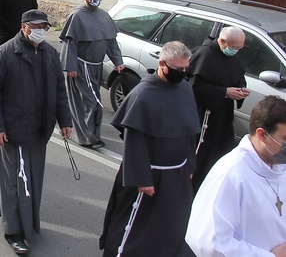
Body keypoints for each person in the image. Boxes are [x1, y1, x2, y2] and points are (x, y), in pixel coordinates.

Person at [0, 9, 72, 255]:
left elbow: (59, 91)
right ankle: (14, 232)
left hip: (39, 130)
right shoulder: (5, 54)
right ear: (24, 27)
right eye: (37, 26)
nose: (42, 30)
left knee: (29, 180)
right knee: (19, 180)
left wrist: (65, 120)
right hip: (13, 130)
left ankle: (22, 219)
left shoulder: (50, 53)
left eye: (45, 26)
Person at [99, 41, 200, 257]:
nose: (182, 73)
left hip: (177, 173)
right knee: (136, 225)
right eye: (178, 69)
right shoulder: (143, 94)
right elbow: (134, 140)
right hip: (149, 176)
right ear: (162, 63)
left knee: (171, 222)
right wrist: (142, 179)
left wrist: (190, 164)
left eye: (185, 69)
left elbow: (189, 131)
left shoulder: (184, 88)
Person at [185, 95, 286, 256]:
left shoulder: (279, 166)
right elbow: (207, 243)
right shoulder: (231, 173)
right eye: (285, 140)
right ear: (262, 135)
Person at [60, 0, 124, 149]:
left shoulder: (104, 17)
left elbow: (111, 42)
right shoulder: (77, 16)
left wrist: (118, 62)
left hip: (96, 66)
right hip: (81, 67)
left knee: (93, 101)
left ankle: (92, 134)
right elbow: (70, 44)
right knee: (91, 102)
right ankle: (87, 137)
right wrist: (70, 66)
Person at [188, 26, 250, 192]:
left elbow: (239, 77)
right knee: (200, 157)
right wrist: (224, 92)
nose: (236, 51)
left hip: (223, 117)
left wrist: (241, 90)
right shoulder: (205, 54)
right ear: (222, 41)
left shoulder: (233, 57)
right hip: (205, 117)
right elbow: (194, 87)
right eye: (234, 47)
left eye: (239, 48)